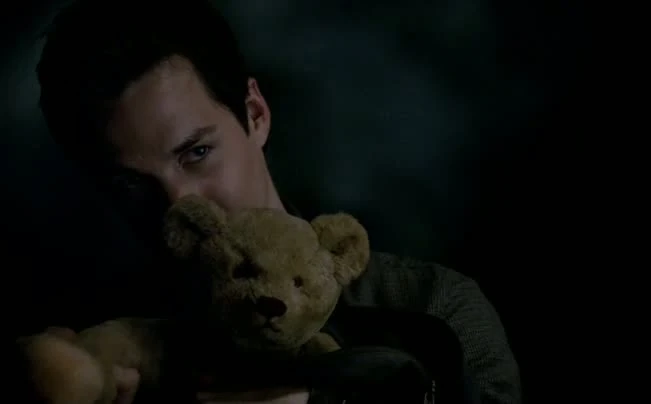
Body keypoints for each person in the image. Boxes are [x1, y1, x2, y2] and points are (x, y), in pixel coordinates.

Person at [26, 0, 521, 402]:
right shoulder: (101, 346)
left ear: (256, 115)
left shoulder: (433, 311)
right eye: (132, 185)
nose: (180, 204)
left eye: (197, 153)